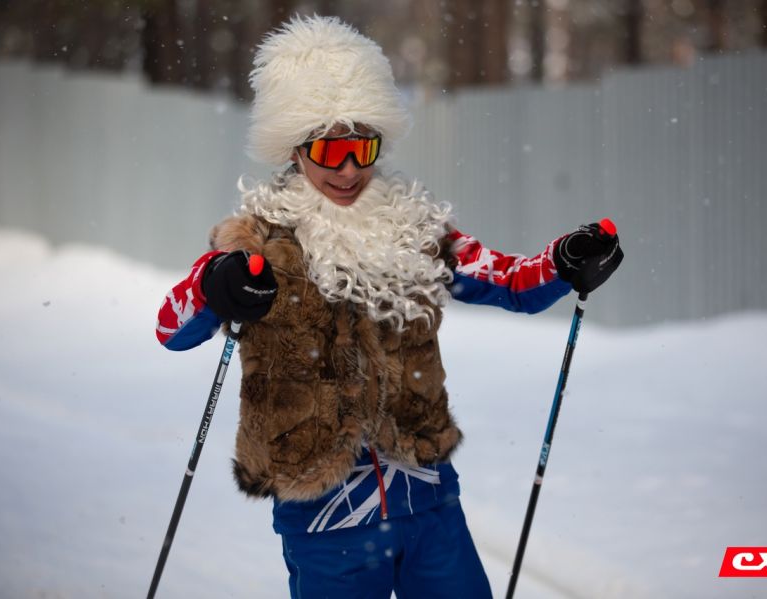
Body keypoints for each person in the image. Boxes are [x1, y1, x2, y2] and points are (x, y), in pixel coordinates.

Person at [155, 15, 622, 599]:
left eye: (363, 148)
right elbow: (171, 326)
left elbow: (511, 281)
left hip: (428, 501)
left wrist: (565, 260)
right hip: (326, 518)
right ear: (295, 149)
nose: (349, 169)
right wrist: (215, 286)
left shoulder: (412, 231)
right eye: (330, 150)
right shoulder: (258, 244)